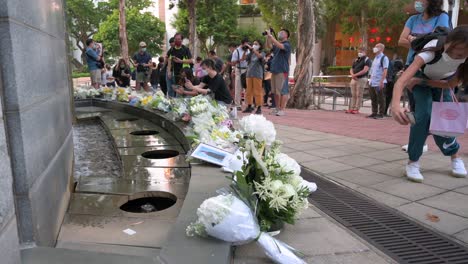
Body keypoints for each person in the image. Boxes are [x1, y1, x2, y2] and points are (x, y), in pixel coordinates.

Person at [391, 25, 468, 182]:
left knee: (445, 119)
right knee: (423, 116)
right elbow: (402, 81)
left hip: (440, 83)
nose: (455, 56)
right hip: (417, 81)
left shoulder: (465, 60)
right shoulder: (430, 52)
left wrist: (425, 82)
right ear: (447, 42)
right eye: (454, 50)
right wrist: (395, 106)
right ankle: (413, 162)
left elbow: (450, 84)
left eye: (461, 54)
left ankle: (455, 157)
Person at [398, 0, 450, 152]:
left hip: (432, 68)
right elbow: (401, 40)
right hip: (412, 66)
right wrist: (425, 40)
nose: (417, 2)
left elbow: (440, 40)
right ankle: (419, 143)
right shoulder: (413, 19)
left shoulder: (441, 17)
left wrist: (414, 39)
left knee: (438, 108)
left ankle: (452, 151)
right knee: (417, 109)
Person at [265, 28, 292, 116]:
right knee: (275, 91)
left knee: (282, 91)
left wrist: (271, 36)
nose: (280, 33)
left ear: (287, 35)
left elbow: (279, 45)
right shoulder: (277, 44)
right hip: (275, 70)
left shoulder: (287, 44)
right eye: (279, 31)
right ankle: (277, 108)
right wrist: (267, 37)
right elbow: (269, 46)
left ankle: (282, 109)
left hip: (282, 70)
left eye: (282, 32)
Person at [242, 40, 265, 114]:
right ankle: (249, 106)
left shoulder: (262, 52)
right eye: (253, 44)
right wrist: (245, 50)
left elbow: (260, 57)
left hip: (257, 74)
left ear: (260, 46)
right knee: (248, 91)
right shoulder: (251, 53)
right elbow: (244, 58)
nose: (254, 45)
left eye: (256, 44)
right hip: (249, 74)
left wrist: (253, 49)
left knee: (257, 91)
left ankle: (259, 107)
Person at [346, 47, 371, 114]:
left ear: (365, 52)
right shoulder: (356, 59)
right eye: (359, 51)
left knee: (359, 94)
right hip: (354, 78)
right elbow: (351, 68)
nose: (359, 53)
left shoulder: (367, 60)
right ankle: (351, 108)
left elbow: (365, 70)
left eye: (361, 51)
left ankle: (356, 109)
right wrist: (352, 75)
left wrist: (355, 75)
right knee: (353, 94)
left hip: (361, 78)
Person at [167, 33, 193, 97]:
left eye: (179, 39)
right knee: (178, 89)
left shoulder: (186, 49)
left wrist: (181, 61)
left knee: (186, 89)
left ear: (182, 40)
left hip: (186, 73)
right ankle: (178, 103)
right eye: (175, 39)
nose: (177, 40)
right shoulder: (172, 49)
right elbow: (169, 60)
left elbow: (191, 60)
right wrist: (169, 71)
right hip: (176, 73)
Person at [368, 43, 389, 119]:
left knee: (381, 98)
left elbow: (385, 70)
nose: (375, 48)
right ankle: (374, 112)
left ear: (381, 49)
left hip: (379, 81)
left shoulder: (384, 58)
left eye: (377, 47)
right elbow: (372, 70)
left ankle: (381, 114)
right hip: (372, 81)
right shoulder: (375, 58)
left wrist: (382, 81)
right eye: (375, 46)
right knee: (373, 98)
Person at [231, 38, 250, 108]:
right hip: (239, 69)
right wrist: (240, 60)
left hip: (247, 70)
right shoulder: (236, 51)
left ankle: (248, 104)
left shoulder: (248, 50)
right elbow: (232, 63)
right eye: (246, 44)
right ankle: (237, 104)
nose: (247, 46)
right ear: (242, 44)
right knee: (238, 87)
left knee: (248, 87)